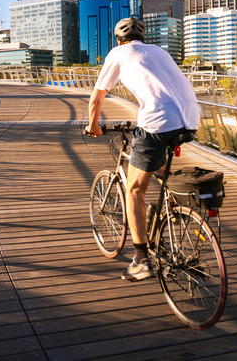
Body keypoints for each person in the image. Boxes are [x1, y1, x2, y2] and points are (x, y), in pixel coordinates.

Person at [84, 17, 200, 282]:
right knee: (155, 165)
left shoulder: (118, 53)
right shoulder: (159, 51)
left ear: (118, 39)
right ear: (142, 37)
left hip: (159, 122)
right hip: (190, 118)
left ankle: (140, 260)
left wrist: (93, 127)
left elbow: (97, 97)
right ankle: (170, 210)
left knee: (134, 189)